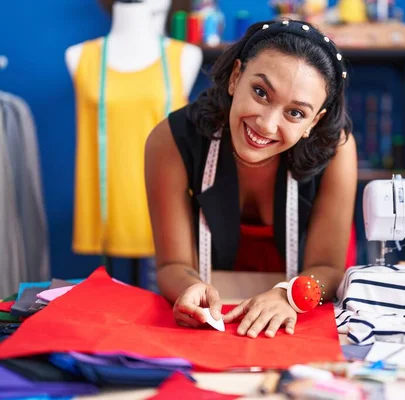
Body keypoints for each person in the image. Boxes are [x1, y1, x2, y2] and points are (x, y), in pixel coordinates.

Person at [145, 19, 357, 339]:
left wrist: (290, 295)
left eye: (295, 113)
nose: (267, 125)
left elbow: (328, 268)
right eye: (260, 92)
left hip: (306, 300)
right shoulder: (172, 140)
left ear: (315, 121)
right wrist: (190, 289)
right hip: (219, 302)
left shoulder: (337, 149)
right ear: (235, 77)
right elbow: (172, 263)